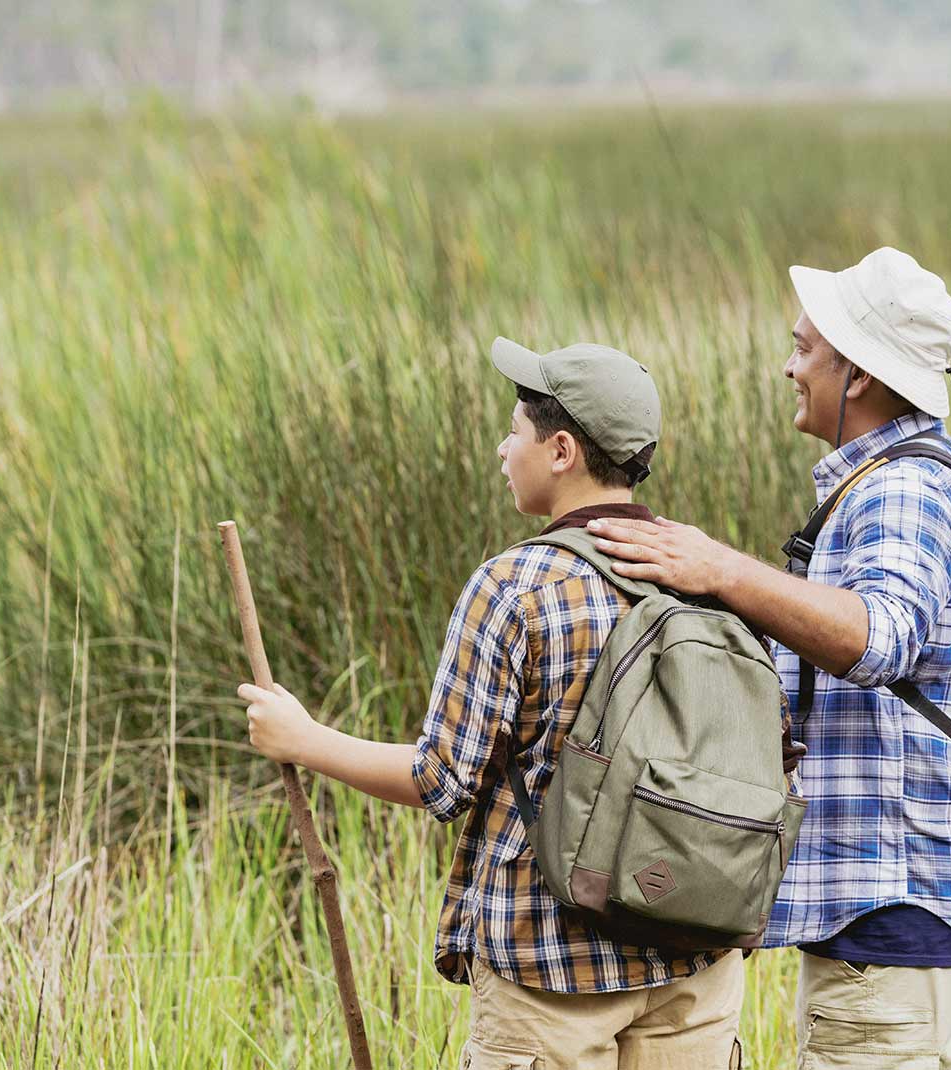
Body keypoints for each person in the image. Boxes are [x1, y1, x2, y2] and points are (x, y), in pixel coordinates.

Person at [236, 337, 747, 1070]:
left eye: (514, 432)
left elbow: (441, 782)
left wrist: (303, 738)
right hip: (697, 960)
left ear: (562, 450)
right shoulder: (706, 573)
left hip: (551, 969)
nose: (503, 450)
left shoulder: (516, 586)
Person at [585, 247, 951, 1070]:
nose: (790, 367)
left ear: (856, 374)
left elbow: (879, 637)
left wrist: (719, 568)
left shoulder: (902, 491)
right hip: (929, 926)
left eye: (805, 349)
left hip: (897, 930)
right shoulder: (910, 482)